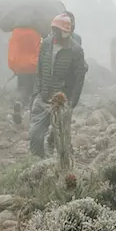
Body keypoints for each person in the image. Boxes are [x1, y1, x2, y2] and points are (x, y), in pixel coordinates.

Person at [28, 11, 86, 167]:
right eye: (54, 29)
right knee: (35, 135)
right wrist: (36, 93)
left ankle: (63, 169)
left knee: (62, 141)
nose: (55, 33)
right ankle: (38, 166)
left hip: (62, 100)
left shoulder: (76, 50)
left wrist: (72, 101)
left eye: (58, 30)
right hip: (43, 97)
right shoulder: (46, 44)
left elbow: (80, 76)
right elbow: (39, 71)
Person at [8, 22, 44, 127]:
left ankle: (19, 103)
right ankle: (32, 115)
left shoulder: (16, 32)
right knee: (33, 91)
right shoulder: (36, 33)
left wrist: (14, 66)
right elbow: (39, 50)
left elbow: (12, 50)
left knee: (22, 88)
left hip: (20, 66)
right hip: (33, 66)